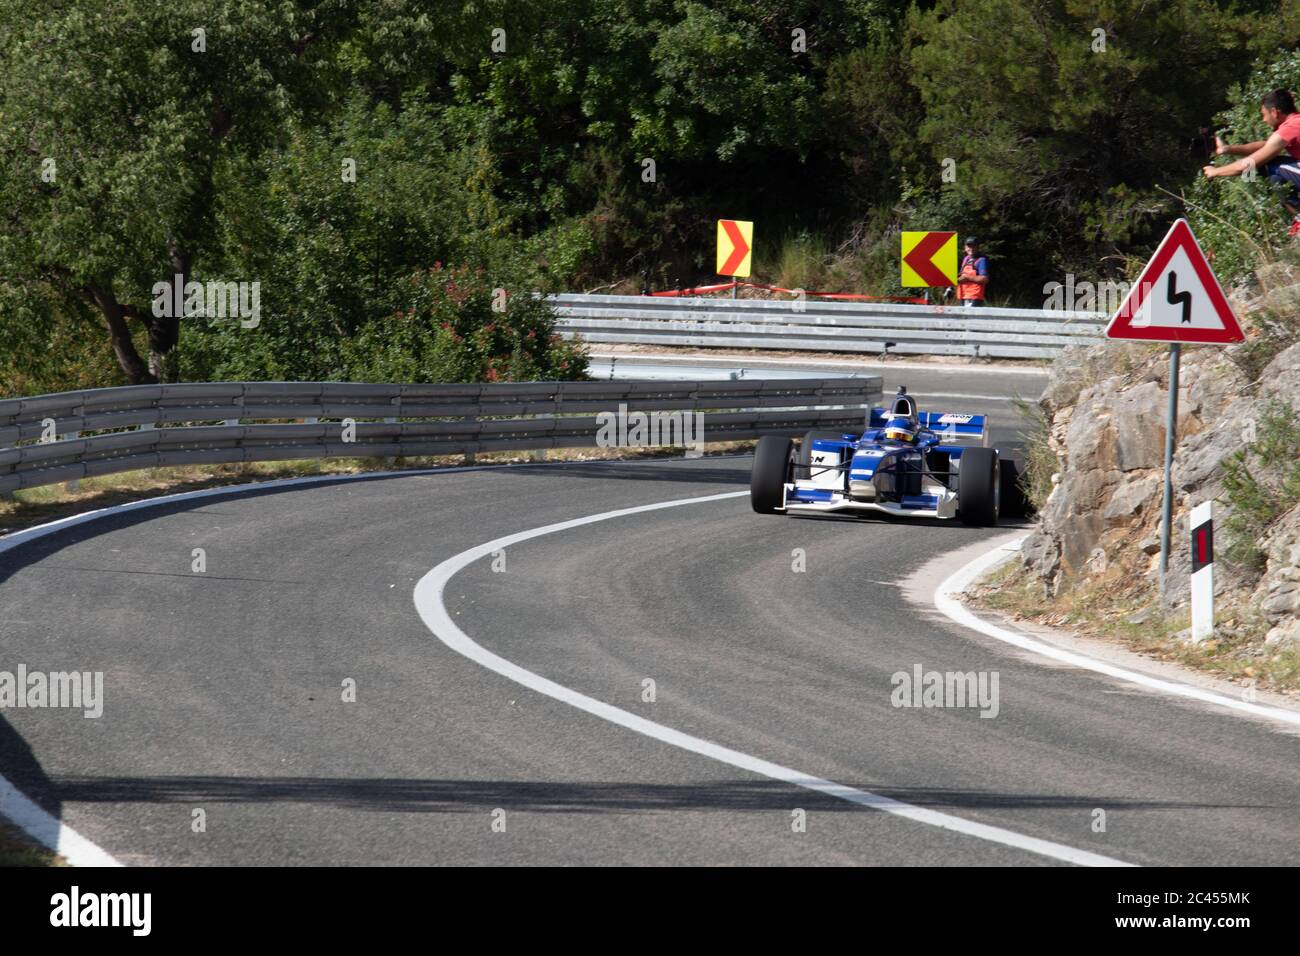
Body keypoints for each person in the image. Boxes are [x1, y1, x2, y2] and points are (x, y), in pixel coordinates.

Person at [1203, 89, 1300, 237]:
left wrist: (1215, 171)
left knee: (1271, 167)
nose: (1263, 120)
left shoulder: (1292, 127)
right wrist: (1226, 149)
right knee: (1274, 170)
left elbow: (1248, 164)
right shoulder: (1294, 123)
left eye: (1263, 115)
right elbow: (1266, 145)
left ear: (1274, 112)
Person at [956, 237, 989, 306]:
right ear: (965, 248)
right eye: (969, 246)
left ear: (978, 247)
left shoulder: (981, 260)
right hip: (963, 295)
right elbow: (962, 275)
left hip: (974, 297)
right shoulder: (966, 259)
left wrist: (967, 277)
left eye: (974, 246)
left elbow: (984, 279)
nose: (971, 248)